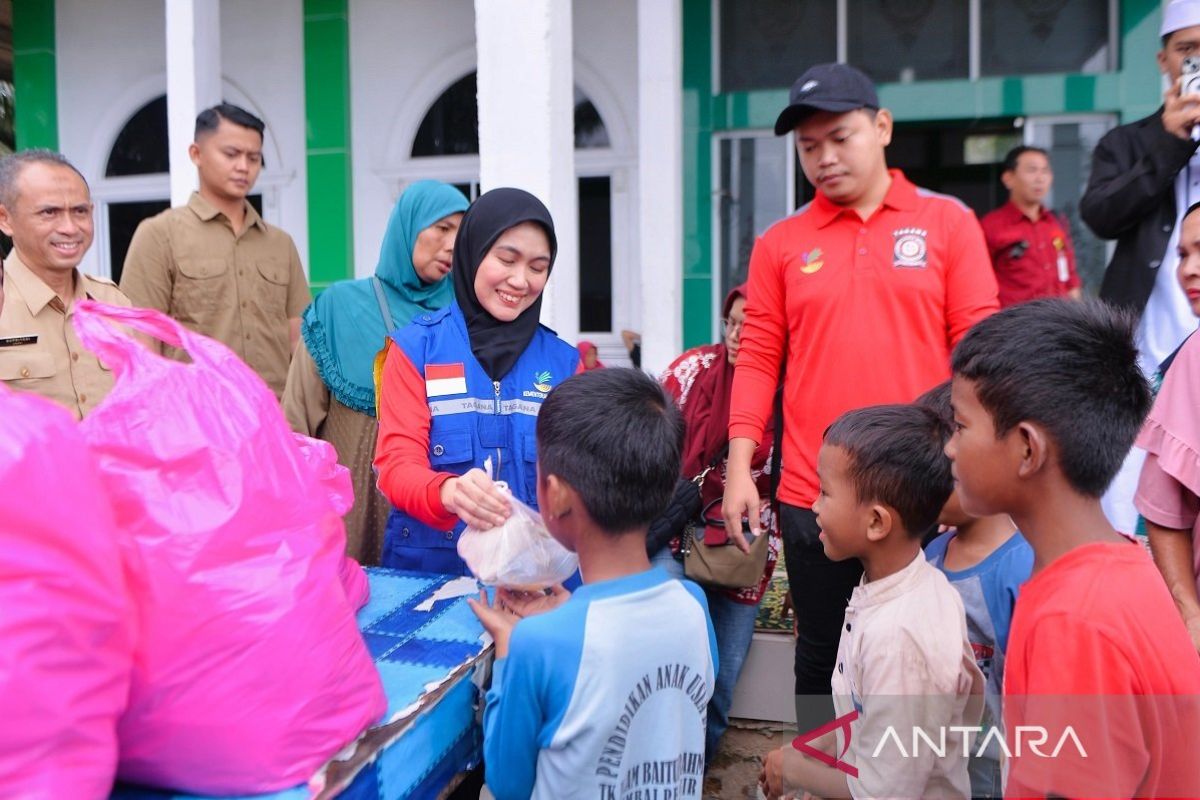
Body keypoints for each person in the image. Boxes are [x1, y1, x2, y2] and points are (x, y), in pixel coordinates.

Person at [722, 61, 999, 732]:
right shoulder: (781, 244)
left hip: (931, 487)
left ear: (881, 128)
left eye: (840, 137)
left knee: (932, 648)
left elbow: (983, 352)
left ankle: (918, 776)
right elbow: (758, 357)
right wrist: (738, 469)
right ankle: (821, 765)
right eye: (809, 146)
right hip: (817, 496)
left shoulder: (946, 224)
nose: (824, 158)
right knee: (820, 653)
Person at [947, 298, 1200, 798]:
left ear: (1026, 448)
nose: (949, 448)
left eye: (959, 426)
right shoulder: (1122, 566)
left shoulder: (1073, 624)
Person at [468, 368, 717, 800]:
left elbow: (509, 785)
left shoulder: (537, 644)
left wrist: (510, 650)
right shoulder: (693, 603)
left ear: (557, 495)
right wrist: (567, 615)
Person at [760, 404, 983, 800]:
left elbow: (884, 792)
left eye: (825, 492)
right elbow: (867, 718)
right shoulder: (898, 589)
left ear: (877, 522)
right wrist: (809, 750)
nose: (813, 505)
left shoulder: (900, 638)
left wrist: (797, 771)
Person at [373, 188, 581, 574]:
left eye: (538, 267)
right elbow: (396, 467)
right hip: (430, 575)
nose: (520, 281)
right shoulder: (415, 349)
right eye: (506, 259)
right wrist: (448, 492)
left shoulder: (565, 363)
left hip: (533, 577)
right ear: (471, 254)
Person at [281, 181, 467, 565]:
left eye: (461, 234)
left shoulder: (463, 315)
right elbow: (296, 423)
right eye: (442, 228)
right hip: (350, 509)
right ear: (408, 227)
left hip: (435, 509)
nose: (452, 245)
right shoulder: (338, 308)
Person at [1082, 0, 1200, 533]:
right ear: (1163, 61)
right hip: (1143, 361)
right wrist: (1168, 142)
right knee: (1131, 507)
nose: (1196, 60)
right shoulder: (1127, 142)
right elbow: (1103, 214)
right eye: (1187, 49)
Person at [654, 284, 779, 764]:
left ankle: (700, 769)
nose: (737, 335)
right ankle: (665, 770)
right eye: (731, 322)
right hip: (678, 530)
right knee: (680, 656)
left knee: (721, 679)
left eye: (751, 326)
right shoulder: (692, 372)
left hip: (746, 548)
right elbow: (649, 440)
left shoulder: (791, 387)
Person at [120, 103, 310, 399]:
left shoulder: (280, 244)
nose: (243, 167)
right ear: (196, 154)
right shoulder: (159, 234)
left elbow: (297, 339)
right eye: (231, 154)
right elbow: (142, 341)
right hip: (197, 417)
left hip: (273, 418)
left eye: (254, 158)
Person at [917, 380, 1034, 799]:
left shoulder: (1019, 567)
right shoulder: (932, 552)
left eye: (936, 475)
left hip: (992, 764)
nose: (922, 491)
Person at [0, 150, 135, 418]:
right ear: (5, 219)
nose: (70, 228)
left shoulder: (111, 301)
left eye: (80, 211)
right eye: (49, 212)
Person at [1135, 200, 1200, 654]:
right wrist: (1190, 616)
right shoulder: (1192, 359)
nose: (1190, 270)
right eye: (1182, 255)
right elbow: (1163, 513)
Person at [980, 145, 1082, 308]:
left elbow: (1070, 278)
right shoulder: (990, 226)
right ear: (1008, 178)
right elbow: (978, 283)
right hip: (1016, 325)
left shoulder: (1056, 222)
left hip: (1060, 322)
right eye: (1032, 170)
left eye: (1045, 171)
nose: (1040, 178)